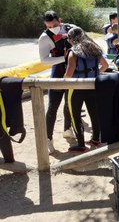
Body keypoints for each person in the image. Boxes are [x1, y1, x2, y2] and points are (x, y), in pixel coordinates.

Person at [64, 27, 109, 152]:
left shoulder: (73, 52)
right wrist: (95, 73)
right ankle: (95, 139)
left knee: (75, 116)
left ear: (72, 39)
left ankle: (81, 144)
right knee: (94, 114)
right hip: (93, 86)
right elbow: (106, 65)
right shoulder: (95, 49)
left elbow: (68, 75)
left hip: (77, 88)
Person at [38, 10, 75, 154]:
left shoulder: (70, 29)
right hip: (57, 73)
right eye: (49, 26)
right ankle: (48, 138)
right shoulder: (44, 37)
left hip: (72, 71)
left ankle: (67, 128)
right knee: (53, 107)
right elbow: (44, 60)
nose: (52, 28)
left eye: (54, 24)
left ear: (60, 20)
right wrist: (64, 58)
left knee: (70, 103)